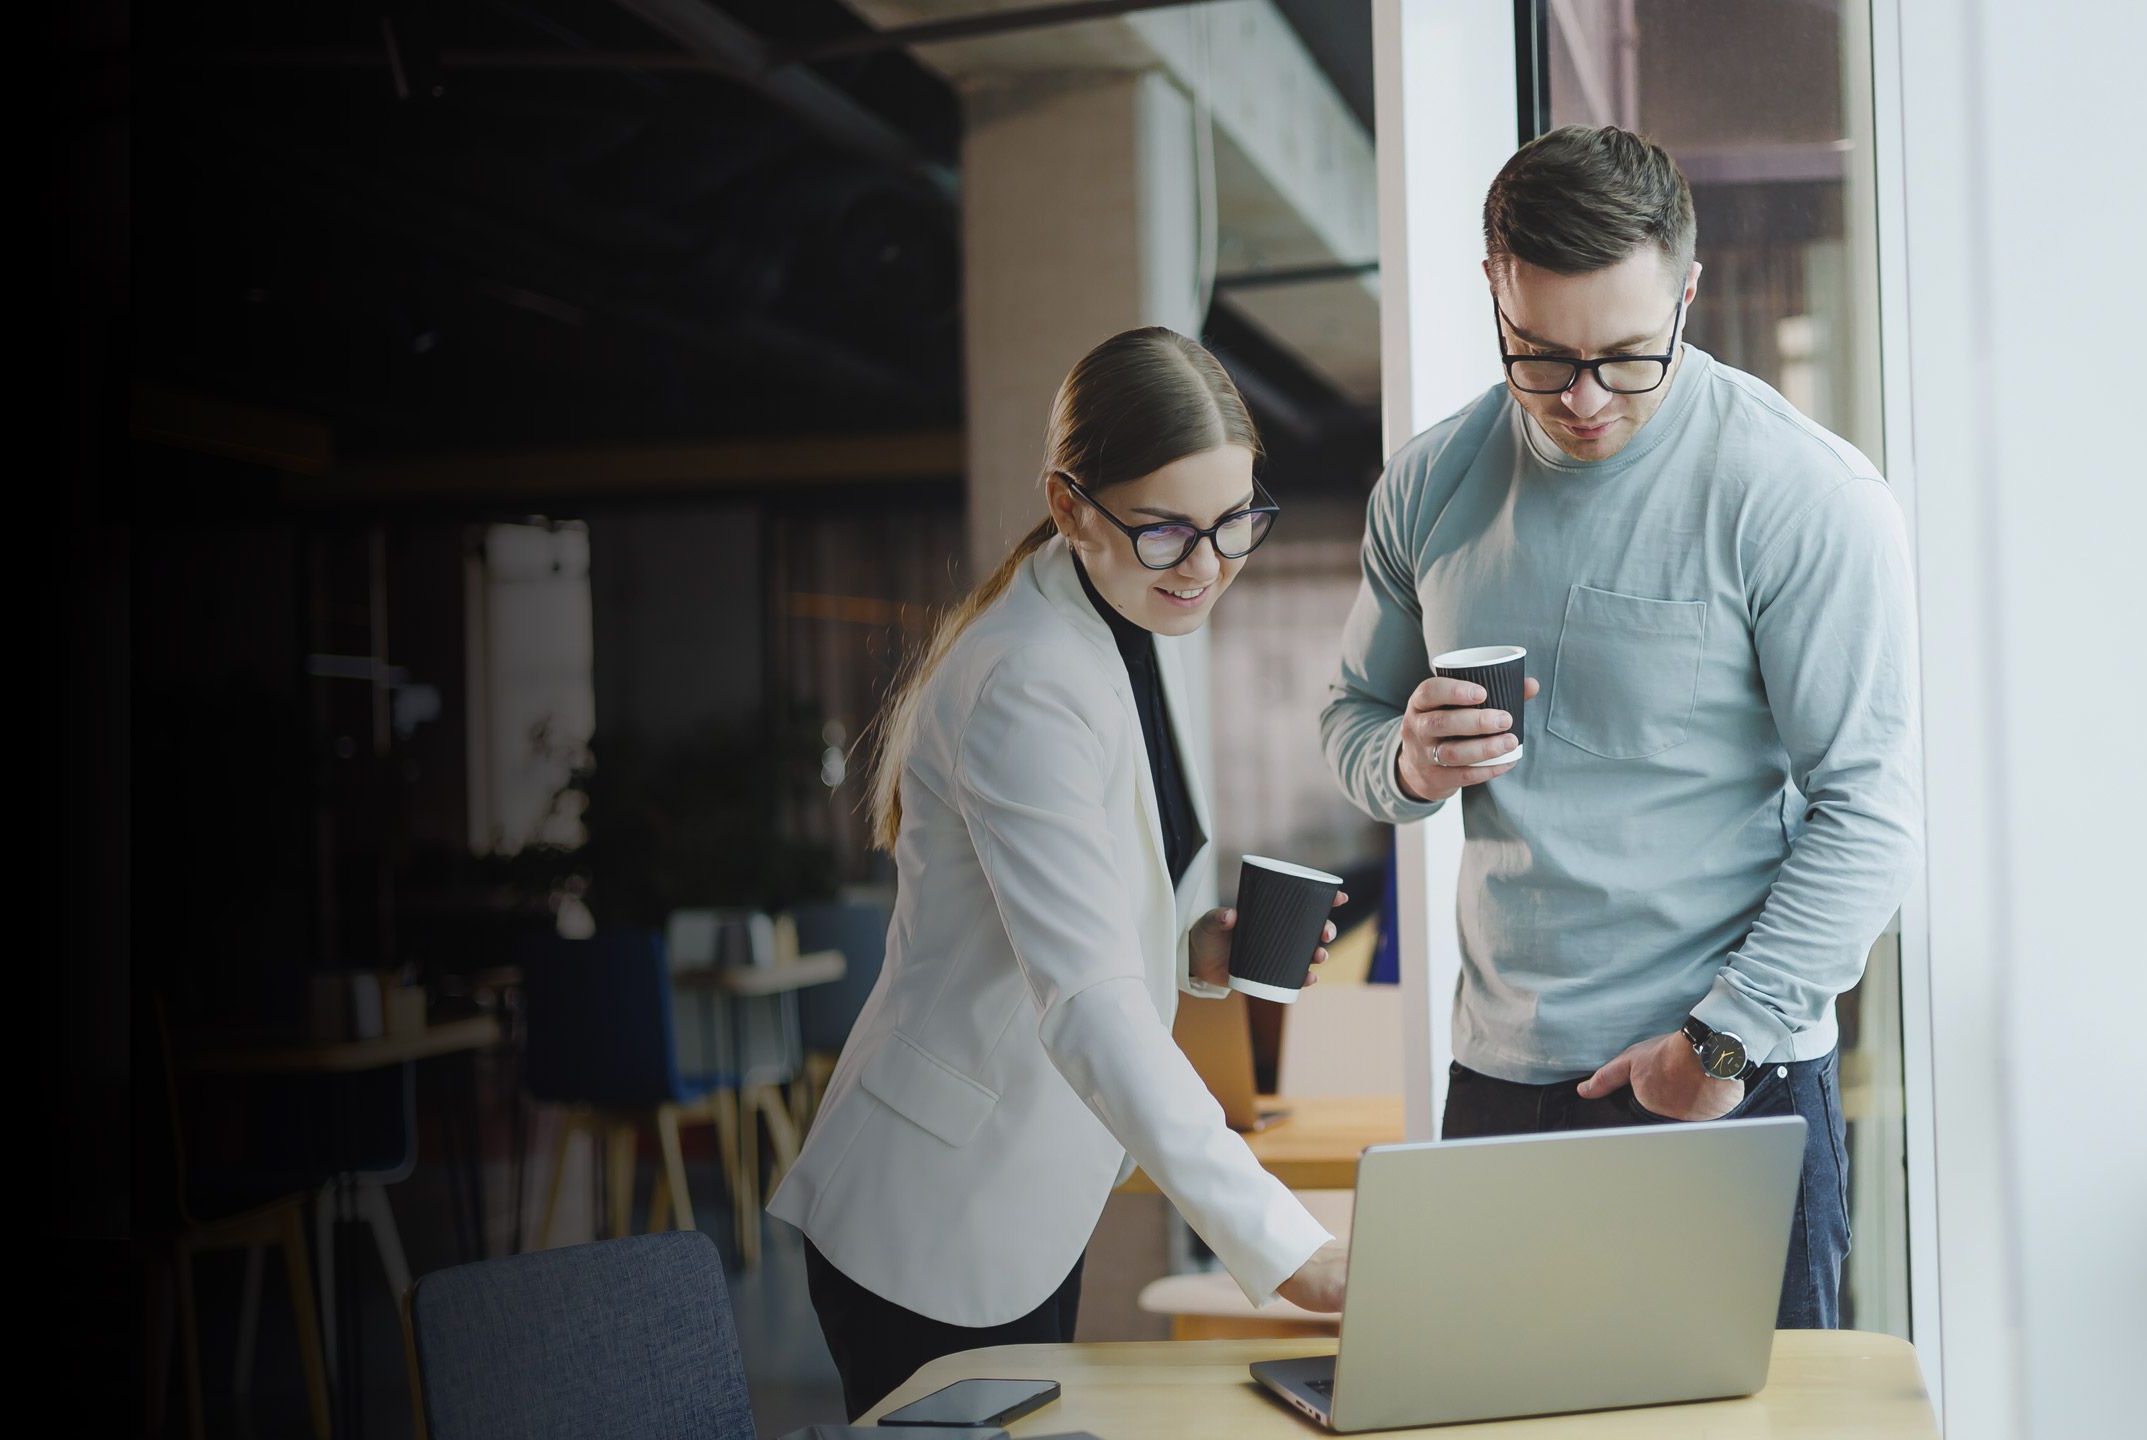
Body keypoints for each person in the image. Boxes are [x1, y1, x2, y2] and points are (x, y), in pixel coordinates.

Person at [1317, 124, 1922, 1329]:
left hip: (1721, 1084)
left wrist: (1722, 1048)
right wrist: (1404, 759)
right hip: (1496, 1090)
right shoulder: (1429, 486)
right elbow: (1351, 722)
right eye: (1540, 356)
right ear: (1494, 287)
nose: (1584, 401)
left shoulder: (1801, 496)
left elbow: (1873, 811)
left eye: (1630, 357)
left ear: (1688, 295)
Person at [767, 326, 1353, 1418]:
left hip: (1015, 1192)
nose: (1210, 565)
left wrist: (1194, 950)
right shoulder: (1025, 680)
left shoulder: (1116, 607)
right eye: (1170, 529)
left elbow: (1056, 914)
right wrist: (1287, 1248)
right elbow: (1087, 1006)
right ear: (1071, 501)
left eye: (1236, 522)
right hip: (935, 1218)